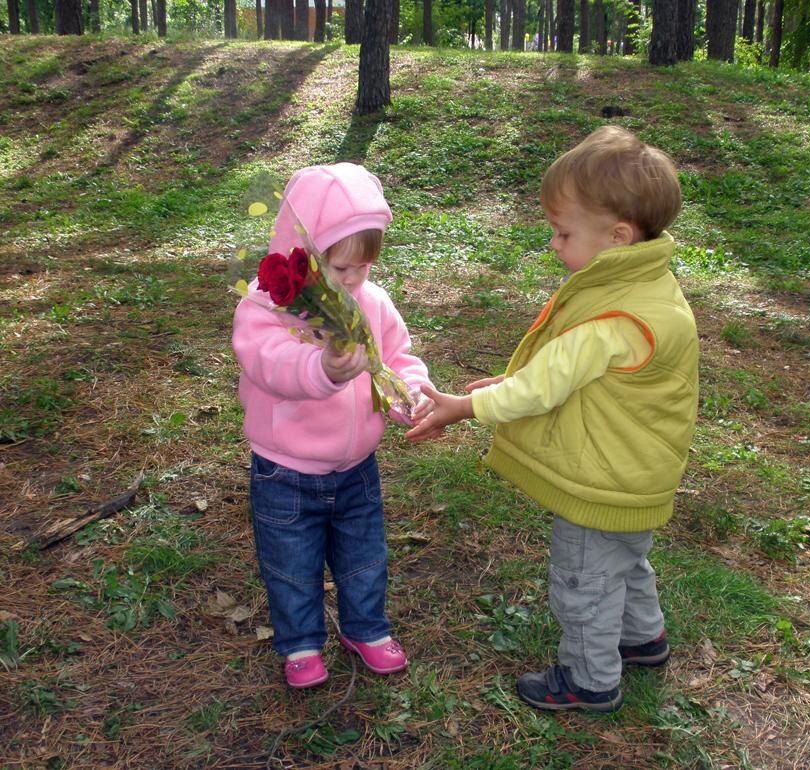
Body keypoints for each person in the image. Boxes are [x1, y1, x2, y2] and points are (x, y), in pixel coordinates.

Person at [407, 126, 699, 712]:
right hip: (639, 473)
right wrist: (511, 384)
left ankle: (590, 680)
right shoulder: (651, 286)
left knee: (584, 580)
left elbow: (546, 385)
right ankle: (643, 640)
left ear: (618, 237)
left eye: (563, 233)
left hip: (603, 480)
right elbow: (573, 376)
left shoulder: (610, 318)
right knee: (626, 560)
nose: (553, 245)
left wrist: (467, 407)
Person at [233, 163, 433, 689]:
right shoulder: (268, 307)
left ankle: (366, 628)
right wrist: (320, 370)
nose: (350, 281)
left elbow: (398, 354)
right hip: (286, 470)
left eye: (361, 268)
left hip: (356, 466)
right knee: (291, 563)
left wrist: (405, 392)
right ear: (301, 252)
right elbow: (268, 363)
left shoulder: (372, 302)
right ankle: (300, 641)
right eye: (337, 267)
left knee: (364, 556)